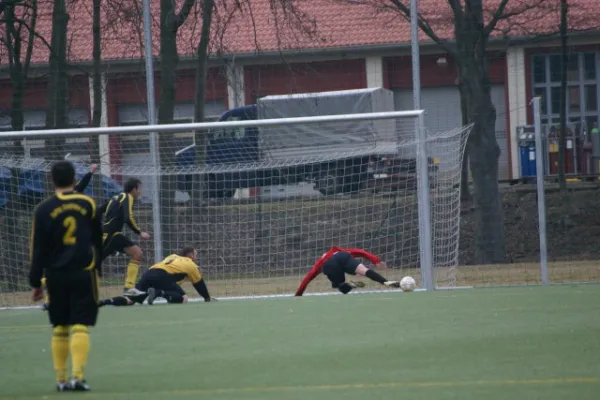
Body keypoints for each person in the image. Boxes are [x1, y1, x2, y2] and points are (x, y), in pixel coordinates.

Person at [29, 160, 103, 392]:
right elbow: (97, 239)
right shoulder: (88, 203)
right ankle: (78, 377)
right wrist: (97, 267)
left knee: (60, 326)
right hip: (83, 272)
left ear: (51, 179)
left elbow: (38, 248)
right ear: (74, 179)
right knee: (80, 324)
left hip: (55, 274)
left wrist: (35, 281)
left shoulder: (43, 209)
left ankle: (61, 380)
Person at [41, 164, 98, 312]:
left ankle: (49, 300)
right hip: (73, 249)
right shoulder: (78, 201)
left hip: (58, 247)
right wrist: (90, 172)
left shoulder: (49, 206)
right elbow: (81, 187)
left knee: (55, 272)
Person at [98, 246, 214, 307]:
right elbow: (199, 284)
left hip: (149, 273)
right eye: (196, 254)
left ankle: (105, 302)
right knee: (184, 299)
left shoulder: (172, 256)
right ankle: (159, 293)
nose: (196, 257)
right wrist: (207, 298)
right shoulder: (191, 265)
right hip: (162, 276)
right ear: (192, 255)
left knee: (130, 300)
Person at [102, 178, 150, 296]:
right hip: (112, 235)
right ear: (134, 189)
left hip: (107, 235)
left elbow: (100, 210)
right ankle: (129, 288)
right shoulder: (128, 197)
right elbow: (128, 217)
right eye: (139, 189)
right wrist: (139, 232)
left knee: (88, 265)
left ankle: (129, 288)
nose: (140, 192)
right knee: (137, 253)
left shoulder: (115, 197)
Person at [295, 246, 400, 296]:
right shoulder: (339, 251)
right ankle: (385, 281)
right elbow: (361, 252)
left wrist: (298, 294)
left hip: (329, 266)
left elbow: (307, 278)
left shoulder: (320, 263)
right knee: (365, 271)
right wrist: (377, 261)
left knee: (341, 287)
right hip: (343, 257)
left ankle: (351, 285)